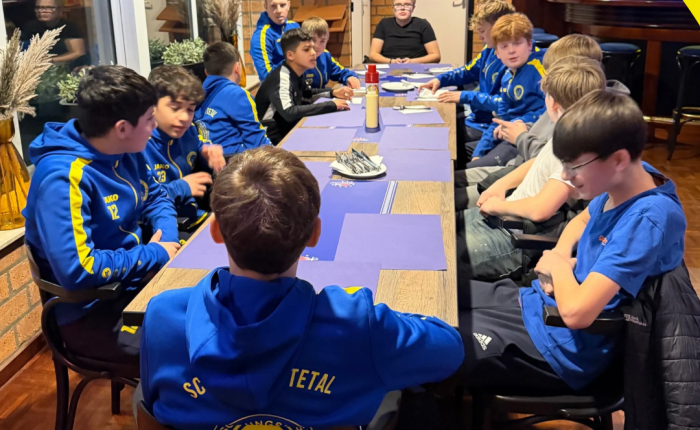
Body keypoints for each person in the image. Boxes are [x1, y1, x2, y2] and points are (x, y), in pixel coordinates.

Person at [138, 146, 465, 429]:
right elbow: (449, 350)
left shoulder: (162, 315)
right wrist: (379, 320)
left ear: (215, 231)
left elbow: (152, 403)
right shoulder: (356, 324)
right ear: (315, 235)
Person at [459, 89, 686, 393]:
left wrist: (558, 268)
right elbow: (581, 220)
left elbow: (577, 313)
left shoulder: (648, 217)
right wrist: (561, 252)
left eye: (573, 166)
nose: (565, 176)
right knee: (441, 299)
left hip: (562, 348)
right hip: (539, 306)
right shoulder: (634, 177)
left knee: (433, 339)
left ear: (619, 159)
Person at [22, 66, 181, 370]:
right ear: (122, 128)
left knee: (218, 309)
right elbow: (78, 270)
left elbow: (157, 196)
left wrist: (168, 242)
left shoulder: (128, 148)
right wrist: (154, 254)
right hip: (91, 313)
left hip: (134, 284)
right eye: (150, 119)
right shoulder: (62, 179)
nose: (154, 127)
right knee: (197, 345)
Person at [457, 56, 606, 281]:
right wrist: (501, 185)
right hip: (505, 217)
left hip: (515, 235)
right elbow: (537, 161)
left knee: (442, 255)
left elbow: (540, 209)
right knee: (440, 229)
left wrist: (499, 206)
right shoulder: (567, 128)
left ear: (552, 103)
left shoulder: (576, 147)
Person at [454, 34, 607, 209]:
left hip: (520, 186)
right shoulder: (562, 109)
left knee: (449, 197)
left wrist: (521, 138)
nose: (545, 78)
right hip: (516, 170)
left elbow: (543, 198)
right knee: (451, 180)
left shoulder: (576, 131)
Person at [418, 0, 515, 162]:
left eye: (482, 31)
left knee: (439, 139)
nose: (480, 37)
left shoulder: (512, 60)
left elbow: (503, 106)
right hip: (478, 119)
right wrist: (440, 80)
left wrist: (465, 96)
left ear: (499, 27)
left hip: (488, 126)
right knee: (434, 124)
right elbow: (468, 71)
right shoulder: (489, 50)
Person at [144, 66, 225, 236]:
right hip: (159, 230)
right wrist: (181, 187)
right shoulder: (139, 144)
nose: (184, 118)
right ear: (151, 105)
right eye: (175, 108)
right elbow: (140, 202)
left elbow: (198, 146)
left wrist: (206, 153)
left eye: (190, 109)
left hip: (193, 216)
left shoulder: (189, 132)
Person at [466, 13, 545, 169]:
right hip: (507, 133)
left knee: (469, 171)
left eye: (517, 44)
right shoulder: (507, 76)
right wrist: (478, 153)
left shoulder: (539, 69)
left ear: (529, 45)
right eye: (504, 46)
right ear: (497, 52)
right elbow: (501, 117)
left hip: (529, 139)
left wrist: (517, 122)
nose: (511, 51)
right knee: (464, 155)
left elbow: (552, 110)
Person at [255, 29, 351, 145]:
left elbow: (307, 93)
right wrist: (331, 105)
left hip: (289, 133)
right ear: (290, 55)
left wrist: (333, 92)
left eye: (313, 48)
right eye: (306, 49)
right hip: (272, 143)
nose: (313, 53)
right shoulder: (282, 78)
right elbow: (289, 112)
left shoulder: (297, 72)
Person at [194, 42, 271, 158]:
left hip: (207, 162)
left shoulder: (196, 96)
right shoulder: (238, 94)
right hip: (236, 162)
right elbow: (258, 144)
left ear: (206, 72)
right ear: (237, 68)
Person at [369, 0, 441, 64]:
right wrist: (391, 62)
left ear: (413, 8)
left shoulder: (423, 25)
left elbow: (435, 56)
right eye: (398, 5)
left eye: (407, 5)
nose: (402, 8)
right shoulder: (384, 24)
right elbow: (373, 54)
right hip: (389, 66)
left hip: (416, 68)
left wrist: (412, 62)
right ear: (393, 7)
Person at [21, 0, 88, 68]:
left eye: (49, 8)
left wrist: (50, 60)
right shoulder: (31, 27)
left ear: (60, 10)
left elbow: (79, 53)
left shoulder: (69, 27)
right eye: (39, 8)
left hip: (65, 67)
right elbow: (22, 49)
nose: (42, 11)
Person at [301, 16, 361, 90]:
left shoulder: (325, 55)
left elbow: (341, 72)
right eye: (313, 40)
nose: (317, 46)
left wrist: (350, 77)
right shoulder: (298, 59)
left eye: (322, 41)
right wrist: (330, 92)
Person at [250, 0, 301, 81]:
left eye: (282, 5)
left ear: (288, 5)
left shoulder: (294, 26)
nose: (279, 11)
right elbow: (266, 76)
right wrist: (293, 62)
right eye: (273, 6)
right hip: (276, 86)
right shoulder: (261, 35)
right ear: (266, 6)